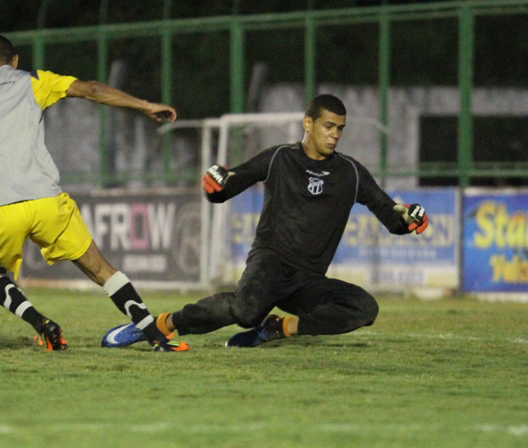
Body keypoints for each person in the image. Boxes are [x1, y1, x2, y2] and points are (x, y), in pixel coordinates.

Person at [0, 34, 188, 352]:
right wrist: (145, 105)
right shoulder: (35, 81)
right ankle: (155, 336)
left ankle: (41, 323)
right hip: (46, 202)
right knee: (101, 269)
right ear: (15, 61)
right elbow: (92, 90)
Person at [106, 94, 428, 348]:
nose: (335, 135)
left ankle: (280, 328)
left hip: (308, 280)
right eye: (328, 126)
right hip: (270, 264)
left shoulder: (351, 172)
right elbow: (227, 185)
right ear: (308, 123)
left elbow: (390, 215)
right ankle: (157, 325)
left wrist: (410, 218)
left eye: (340, 128)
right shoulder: (279, 158)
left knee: (364, 308)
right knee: (245, 312)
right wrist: (215, 185)